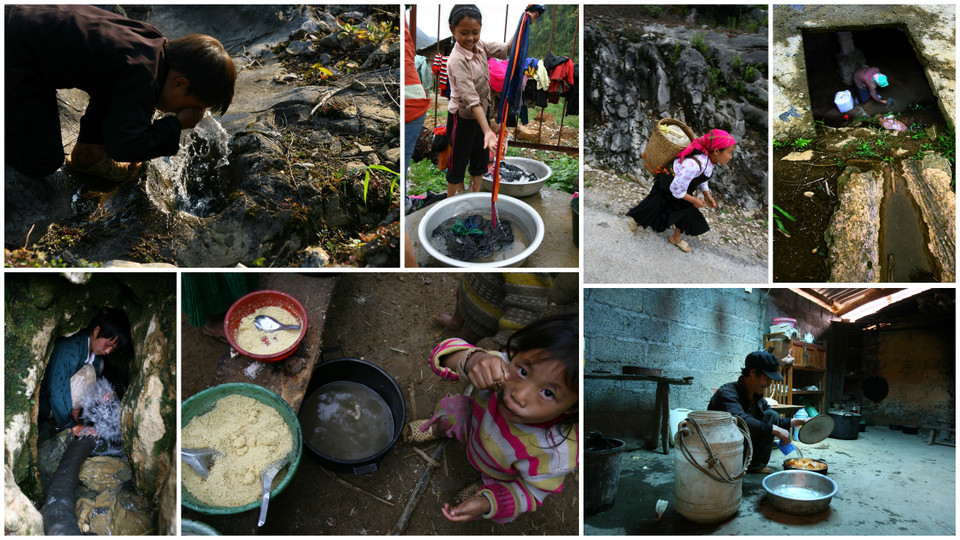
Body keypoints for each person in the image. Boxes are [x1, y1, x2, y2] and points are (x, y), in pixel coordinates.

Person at [6, 5, 236, 181]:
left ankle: (88, 152)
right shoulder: (143, 75)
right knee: (41, 159)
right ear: (179, 85)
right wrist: (175, 125)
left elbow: (110, 90)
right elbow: (123, 146)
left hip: (17, 21)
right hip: (12, 56)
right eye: (191, 107)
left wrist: (91, 146)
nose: (189, 113)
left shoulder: (152, 44)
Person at [404, 313, 578, 523]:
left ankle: (485, 492)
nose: (519, 395)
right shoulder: (499, 367)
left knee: (498, 501)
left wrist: (488, 503)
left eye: (548, 393)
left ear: (570, 409)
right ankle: (438, 428)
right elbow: (441, 353)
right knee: (451, 409)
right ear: (517, 355)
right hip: (473, 424)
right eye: (523, 371)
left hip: (499, 473)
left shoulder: (556, 452)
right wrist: (472, 360)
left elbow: (531, 493)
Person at [444, 5, 539, 197]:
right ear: (452, 29)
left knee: (479, 161)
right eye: (464, 33)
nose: (470, 38)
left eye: (475, 32)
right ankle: (452, 203)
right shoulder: (456, 60)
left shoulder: (480, 46)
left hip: (482, 115)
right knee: (458, 163)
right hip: (461, 119)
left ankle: (474, 196)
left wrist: (524, 24)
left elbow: (508, 49)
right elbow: (471, 101)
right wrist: (488, 130)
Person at [626, 129, 736, 253]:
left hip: (684, 187)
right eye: (730, 153)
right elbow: (675, 188)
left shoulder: (710, 161)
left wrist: (706, 194)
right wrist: (694, 199)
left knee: (686, 211)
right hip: (670, 183)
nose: (731, 157)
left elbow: (704, 176)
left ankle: (676, 238)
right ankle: (636, 219)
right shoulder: (693, 165)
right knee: (654, 205)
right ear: (716, 151)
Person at [707, 350, 808, 474]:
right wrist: (775, 430)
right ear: (753, 373)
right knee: (768, 426)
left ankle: (755, 466)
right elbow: (740, 419)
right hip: (721, 450)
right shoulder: (727, 393)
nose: (769, 384)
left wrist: (801, 421)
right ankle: (737, 466)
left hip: (743, 445)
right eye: (767, 379)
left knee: (772, 415)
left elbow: (775, 421)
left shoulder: (757, 397)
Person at [38, 307, 131, 437]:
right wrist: (70, 426)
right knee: (87, 372)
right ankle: (71, 424)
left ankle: (74, 418)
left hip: (60, 404)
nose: (109, 351)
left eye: (113, 349)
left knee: (98, 369)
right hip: (47, 406)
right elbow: (56, 390)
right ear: (96, 330)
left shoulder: (95, 354)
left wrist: (102, 393)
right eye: (108, 344)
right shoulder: (70, 349)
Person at [433, 273, 553, 346]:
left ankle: (456, 353)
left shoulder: (532, 275)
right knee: (460, 299)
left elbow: (525, 308)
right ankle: (455, 323)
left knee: (467, 335)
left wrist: (507, 345)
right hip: (469, 288)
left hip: (484, 313)